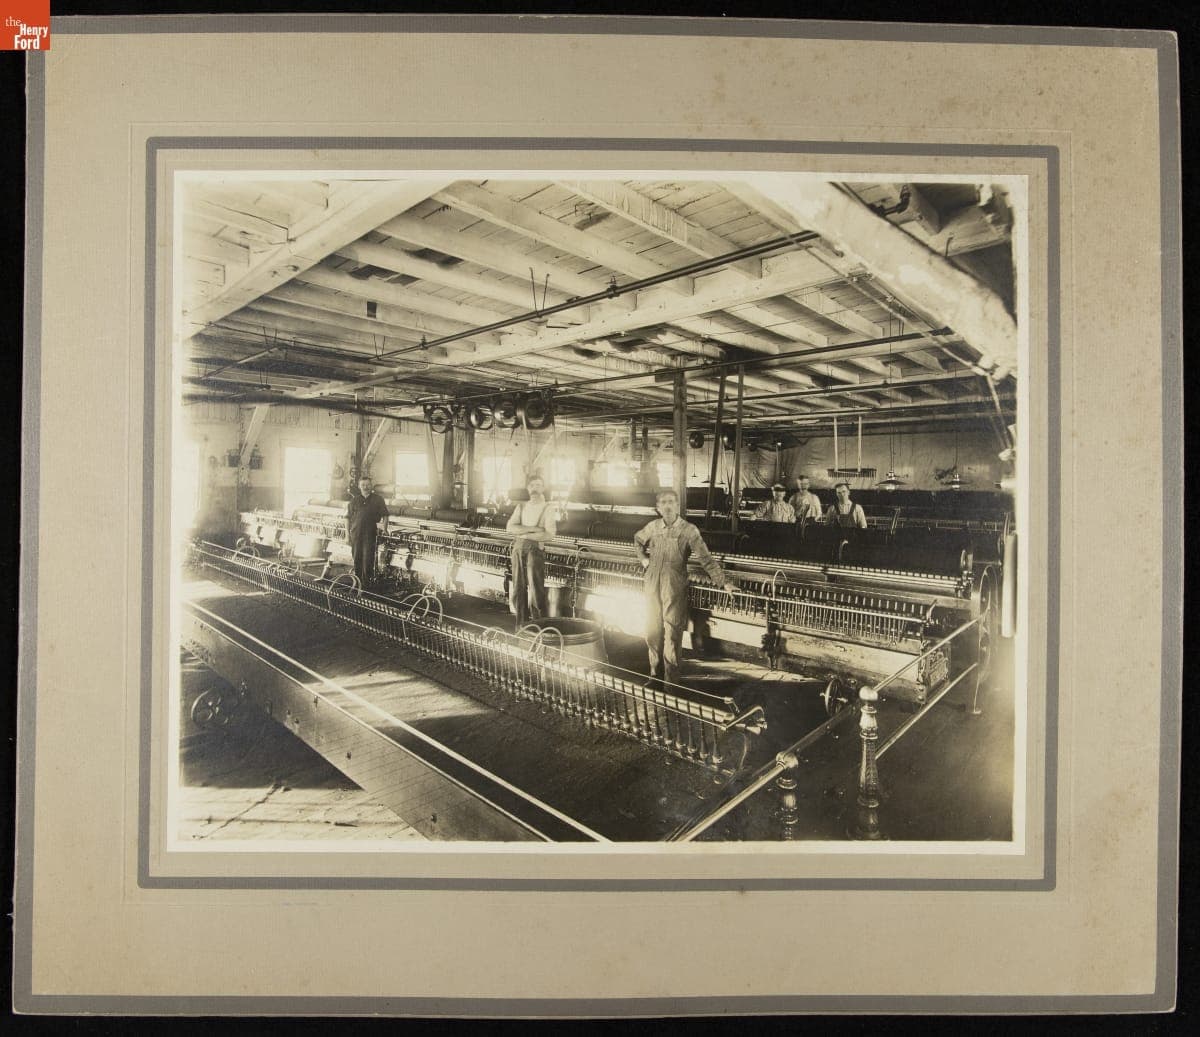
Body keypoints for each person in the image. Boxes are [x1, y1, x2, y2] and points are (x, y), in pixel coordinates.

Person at [634, 488, 737, 689]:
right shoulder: (652, 527)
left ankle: (671, 684)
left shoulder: (689, 530)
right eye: (663, 502)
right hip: (651, 582)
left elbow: (706, 559)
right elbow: (637, 540)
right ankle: (655, 676)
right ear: (658, 508)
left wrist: (723, 582)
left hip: (674, 584)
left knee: (672, 633)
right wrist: (644, 560)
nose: (668, 505)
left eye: (671, 501)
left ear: (678, 505)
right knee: (652, 631)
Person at [506, 474, 557, 629]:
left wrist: (523, 533)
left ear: (543, 488)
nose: (535, 488)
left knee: (536, 590)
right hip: (518, 549)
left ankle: (538, 627)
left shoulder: (548, 508)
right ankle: (521, 626)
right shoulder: (521, 507)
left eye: (538, 485)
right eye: (532, 485)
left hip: (535, 551)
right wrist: (534, 530)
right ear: (528, 488)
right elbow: (509, 528)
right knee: (518, 589)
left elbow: (549, 534)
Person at [346, 474, 390, 589]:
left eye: (368, 485)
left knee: (368, 559)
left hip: (370, 534)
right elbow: (347, 518)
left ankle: (366, 587)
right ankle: (357, 584)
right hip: (356, 534)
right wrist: (347, 535)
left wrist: (385, 529)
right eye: (363, 485)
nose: (365, 487)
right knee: (357, 558)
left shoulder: (378, 499)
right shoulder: (354, 500)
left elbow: (385, 515)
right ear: (359, 486)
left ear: (371, 486)